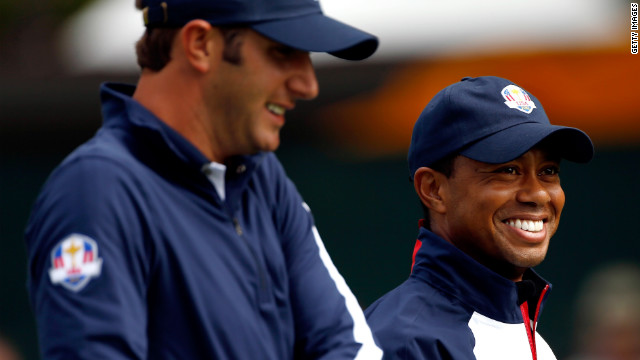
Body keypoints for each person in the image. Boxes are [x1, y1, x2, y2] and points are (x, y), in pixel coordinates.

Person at [24, 0, 382, 358]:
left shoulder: (263, 177)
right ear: (199, 44)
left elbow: (349, 347)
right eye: (282, 51)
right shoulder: (96, 189)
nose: (308, 85)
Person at [364, 76, 594, 359]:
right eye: (508, 170)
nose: (539, 194)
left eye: (548, 171)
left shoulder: (525, 332)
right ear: (434, 189)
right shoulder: (405, 342)